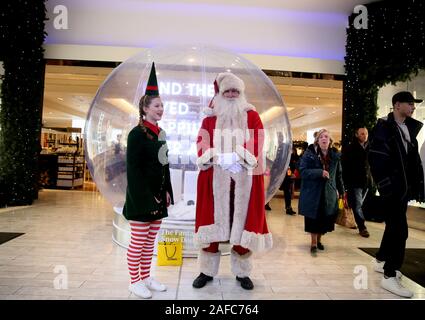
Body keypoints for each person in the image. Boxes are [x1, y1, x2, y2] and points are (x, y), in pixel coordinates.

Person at [193, 72, 272, 290]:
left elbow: (259, 137)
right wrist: (217, 158)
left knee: (242, 224)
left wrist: (240, 156)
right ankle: (206, 271)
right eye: (226, 90)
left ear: (241, 93)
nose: (230, 94)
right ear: (220, 92)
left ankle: (242, 272)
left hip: (244, 178)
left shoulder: (251, 115)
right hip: (215, 179)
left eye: (235, 91)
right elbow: (201, 141)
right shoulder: (210, 117)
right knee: (213, 224)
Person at [122, 62, 174, 299]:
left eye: (162, 105)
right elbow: (133, 171)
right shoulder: (136, 134)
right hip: (142, 200)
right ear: (145, 108)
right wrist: (148, 197)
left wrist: (167, 191)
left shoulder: (160, 133)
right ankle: (134, 281)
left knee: (150, 242)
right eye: (157, 105)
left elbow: (165, 165)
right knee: (138, 241)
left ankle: (145, 277)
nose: (161, 108)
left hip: (157, 197)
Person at [368, 91, 424, 298]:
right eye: (410, 104)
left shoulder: (408, 128)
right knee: (400, 231)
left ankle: (381, 259)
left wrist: (415, 186)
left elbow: (411, 161)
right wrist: (388, 188)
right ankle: (390, 275)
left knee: (394, 227)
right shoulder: (384, 128)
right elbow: (376, 160)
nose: (413, 107)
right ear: (397, 105)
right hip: (393, 191)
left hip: (403, 190)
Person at [298, 129, 344, 256]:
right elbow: (303, 171)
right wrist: (319, 172)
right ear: (317, 140)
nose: (324, 139)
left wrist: (342, 191)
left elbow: (338, 175)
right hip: (313, 192)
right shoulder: (309, 154)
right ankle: (313, 243)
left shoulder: (335, 156)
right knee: (313, 218)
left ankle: (319, 240)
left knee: (324, 218)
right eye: (321, 137)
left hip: (328, 193)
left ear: (330, 141)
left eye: (326, 137)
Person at [341, 127, 371, 237]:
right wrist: (345, 184)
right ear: (357, 134)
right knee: (358, 205)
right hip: (355, 181)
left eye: (366, 134)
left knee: (358, 204)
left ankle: (357, 221)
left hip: (366, 182)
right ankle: (362, 227)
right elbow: (345, 166)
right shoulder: (350, 148)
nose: (365, 136)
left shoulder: (369, 147)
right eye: (362, 134)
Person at [280, 146, 299, 215]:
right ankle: (288, 208)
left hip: (288, 177)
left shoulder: (292, 157)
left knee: (288, 192)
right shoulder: (285, 156)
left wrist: (292, 174)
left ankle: (288, 207)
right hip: (284, 177)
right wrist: (290, 174)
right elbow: (288, 167)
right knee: (287, 192)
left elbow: (292, 167)